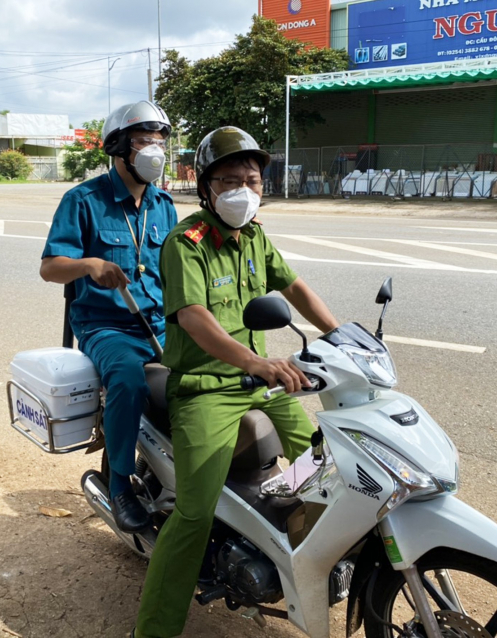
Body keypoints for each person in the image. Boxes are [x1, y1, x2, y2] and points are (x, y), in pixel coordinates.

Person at [134, 126, 340, 638]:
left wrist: (343, 336)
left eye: (251, 179)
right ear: (206, 187)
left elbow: (293, 287)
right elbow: (194, 317)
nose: (241, 189)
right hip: (205, 390)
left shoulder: (256, 237)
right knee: (194, 513)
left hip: (262, 386)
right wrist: (255, 362)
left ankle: (284, 542)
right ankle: (153, 629)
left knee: (333, 460)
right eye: (228, 179)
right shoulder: (188, 241)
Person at [40, 101, 176, 533]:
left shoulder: (164, 205)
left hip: (157, 322)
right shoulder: (83, 200)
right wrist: (87, 266)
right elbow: (49, 267)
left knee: (208, 375)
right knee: (128, 379)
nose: (154, 150)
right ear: (118, 146)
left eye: (159, 142)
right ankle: (119, 484)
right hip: (105, 324)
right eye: (143, 141)